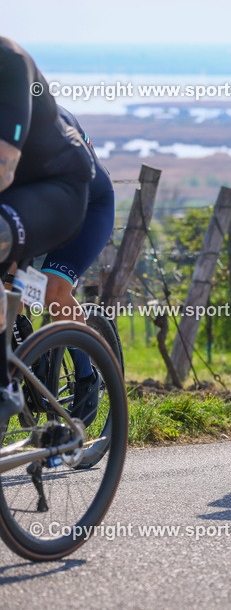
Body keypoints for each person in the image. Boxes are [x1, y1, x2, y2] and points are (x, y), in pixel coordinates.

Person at [0, 36, 94, 419]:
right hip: (17, 199)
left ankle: (84, 379)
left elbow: (4, 167)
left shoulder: (9, 62)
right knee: (12, 287)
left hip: (63, 189)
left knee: (53, 290)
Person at [38, 107, 116, 426]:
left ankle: (87, 378)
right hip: (42, 205)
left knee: (52, 289)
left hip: (87, 206)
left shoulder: (47, 119)